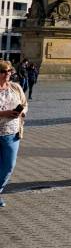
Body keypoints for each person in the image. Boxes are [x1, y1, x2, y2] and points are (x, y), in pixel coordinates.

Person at [0, 59, 29, 208]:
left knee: (9, 166)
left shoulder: (16, 87)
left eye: (9, 71)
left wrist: (21, 112)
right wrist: (4, 113)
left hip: (12, 133)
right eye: (3, 71)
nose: (7, 74)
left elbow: (24, 104)